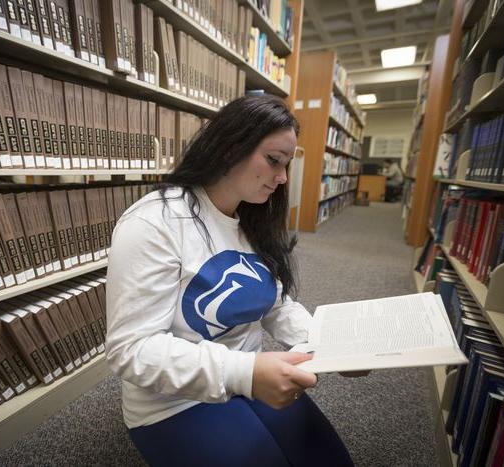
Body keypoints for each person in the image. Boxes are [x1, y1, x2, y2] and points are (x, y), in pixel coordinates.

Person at [105, 95, 355, 467]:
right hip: (174, 400)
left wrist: (327, 344)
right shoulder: (154, 223)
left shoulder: (254, 219)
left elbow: (277, 303)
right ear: (230, 147)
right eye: (273, 160)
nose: (283, 177)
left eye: (287, 164)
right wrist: (245, 372)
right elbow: (132, 350)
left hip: (250, 377)